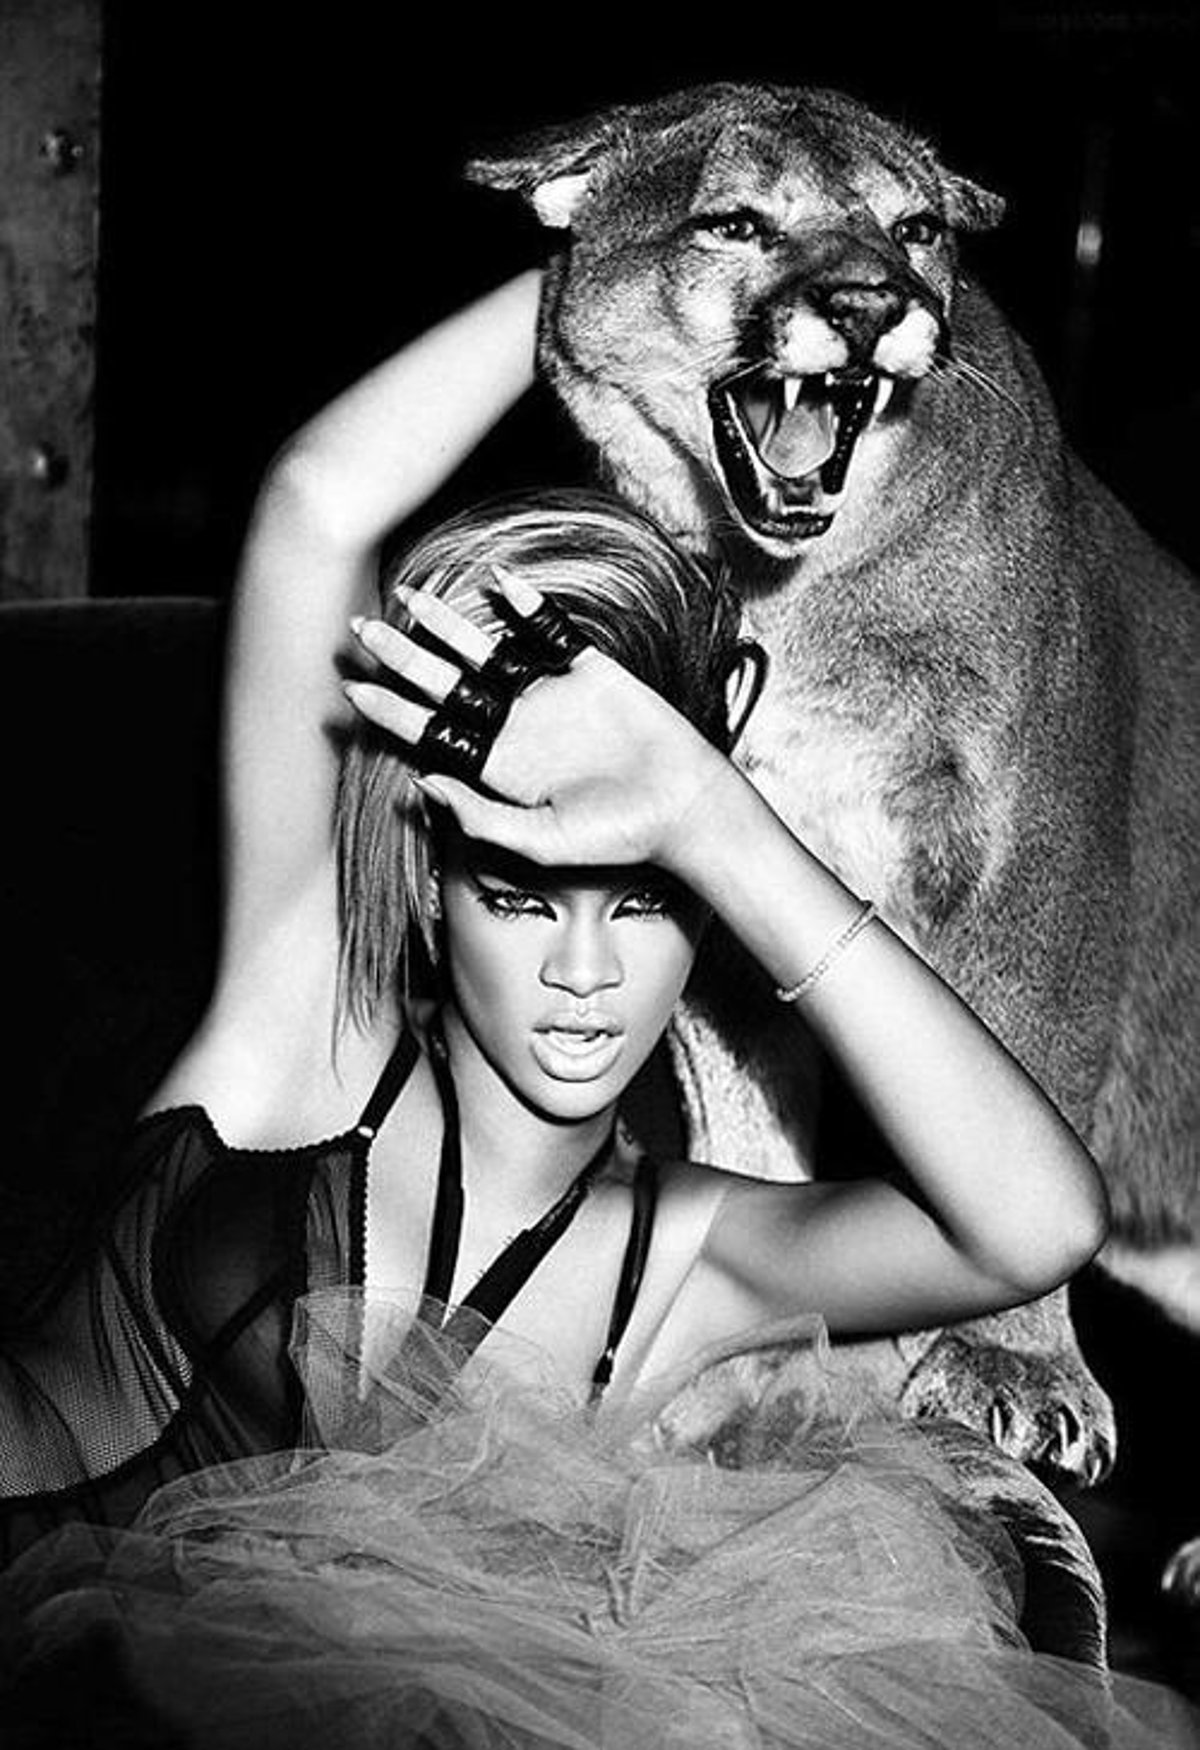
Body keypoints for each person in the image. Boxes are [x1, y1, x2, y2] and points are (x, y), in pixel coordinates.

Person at [1, 273, 1196, 1749]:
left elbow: (1034, 1226)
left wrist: (711, 817)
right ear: (431, 886)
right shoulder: (301, 1034)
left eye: (641, 901)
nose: (584, 972)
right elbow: (317, 502)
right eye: (518, 895)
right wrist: (634, 240)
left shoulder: (688, 1260)